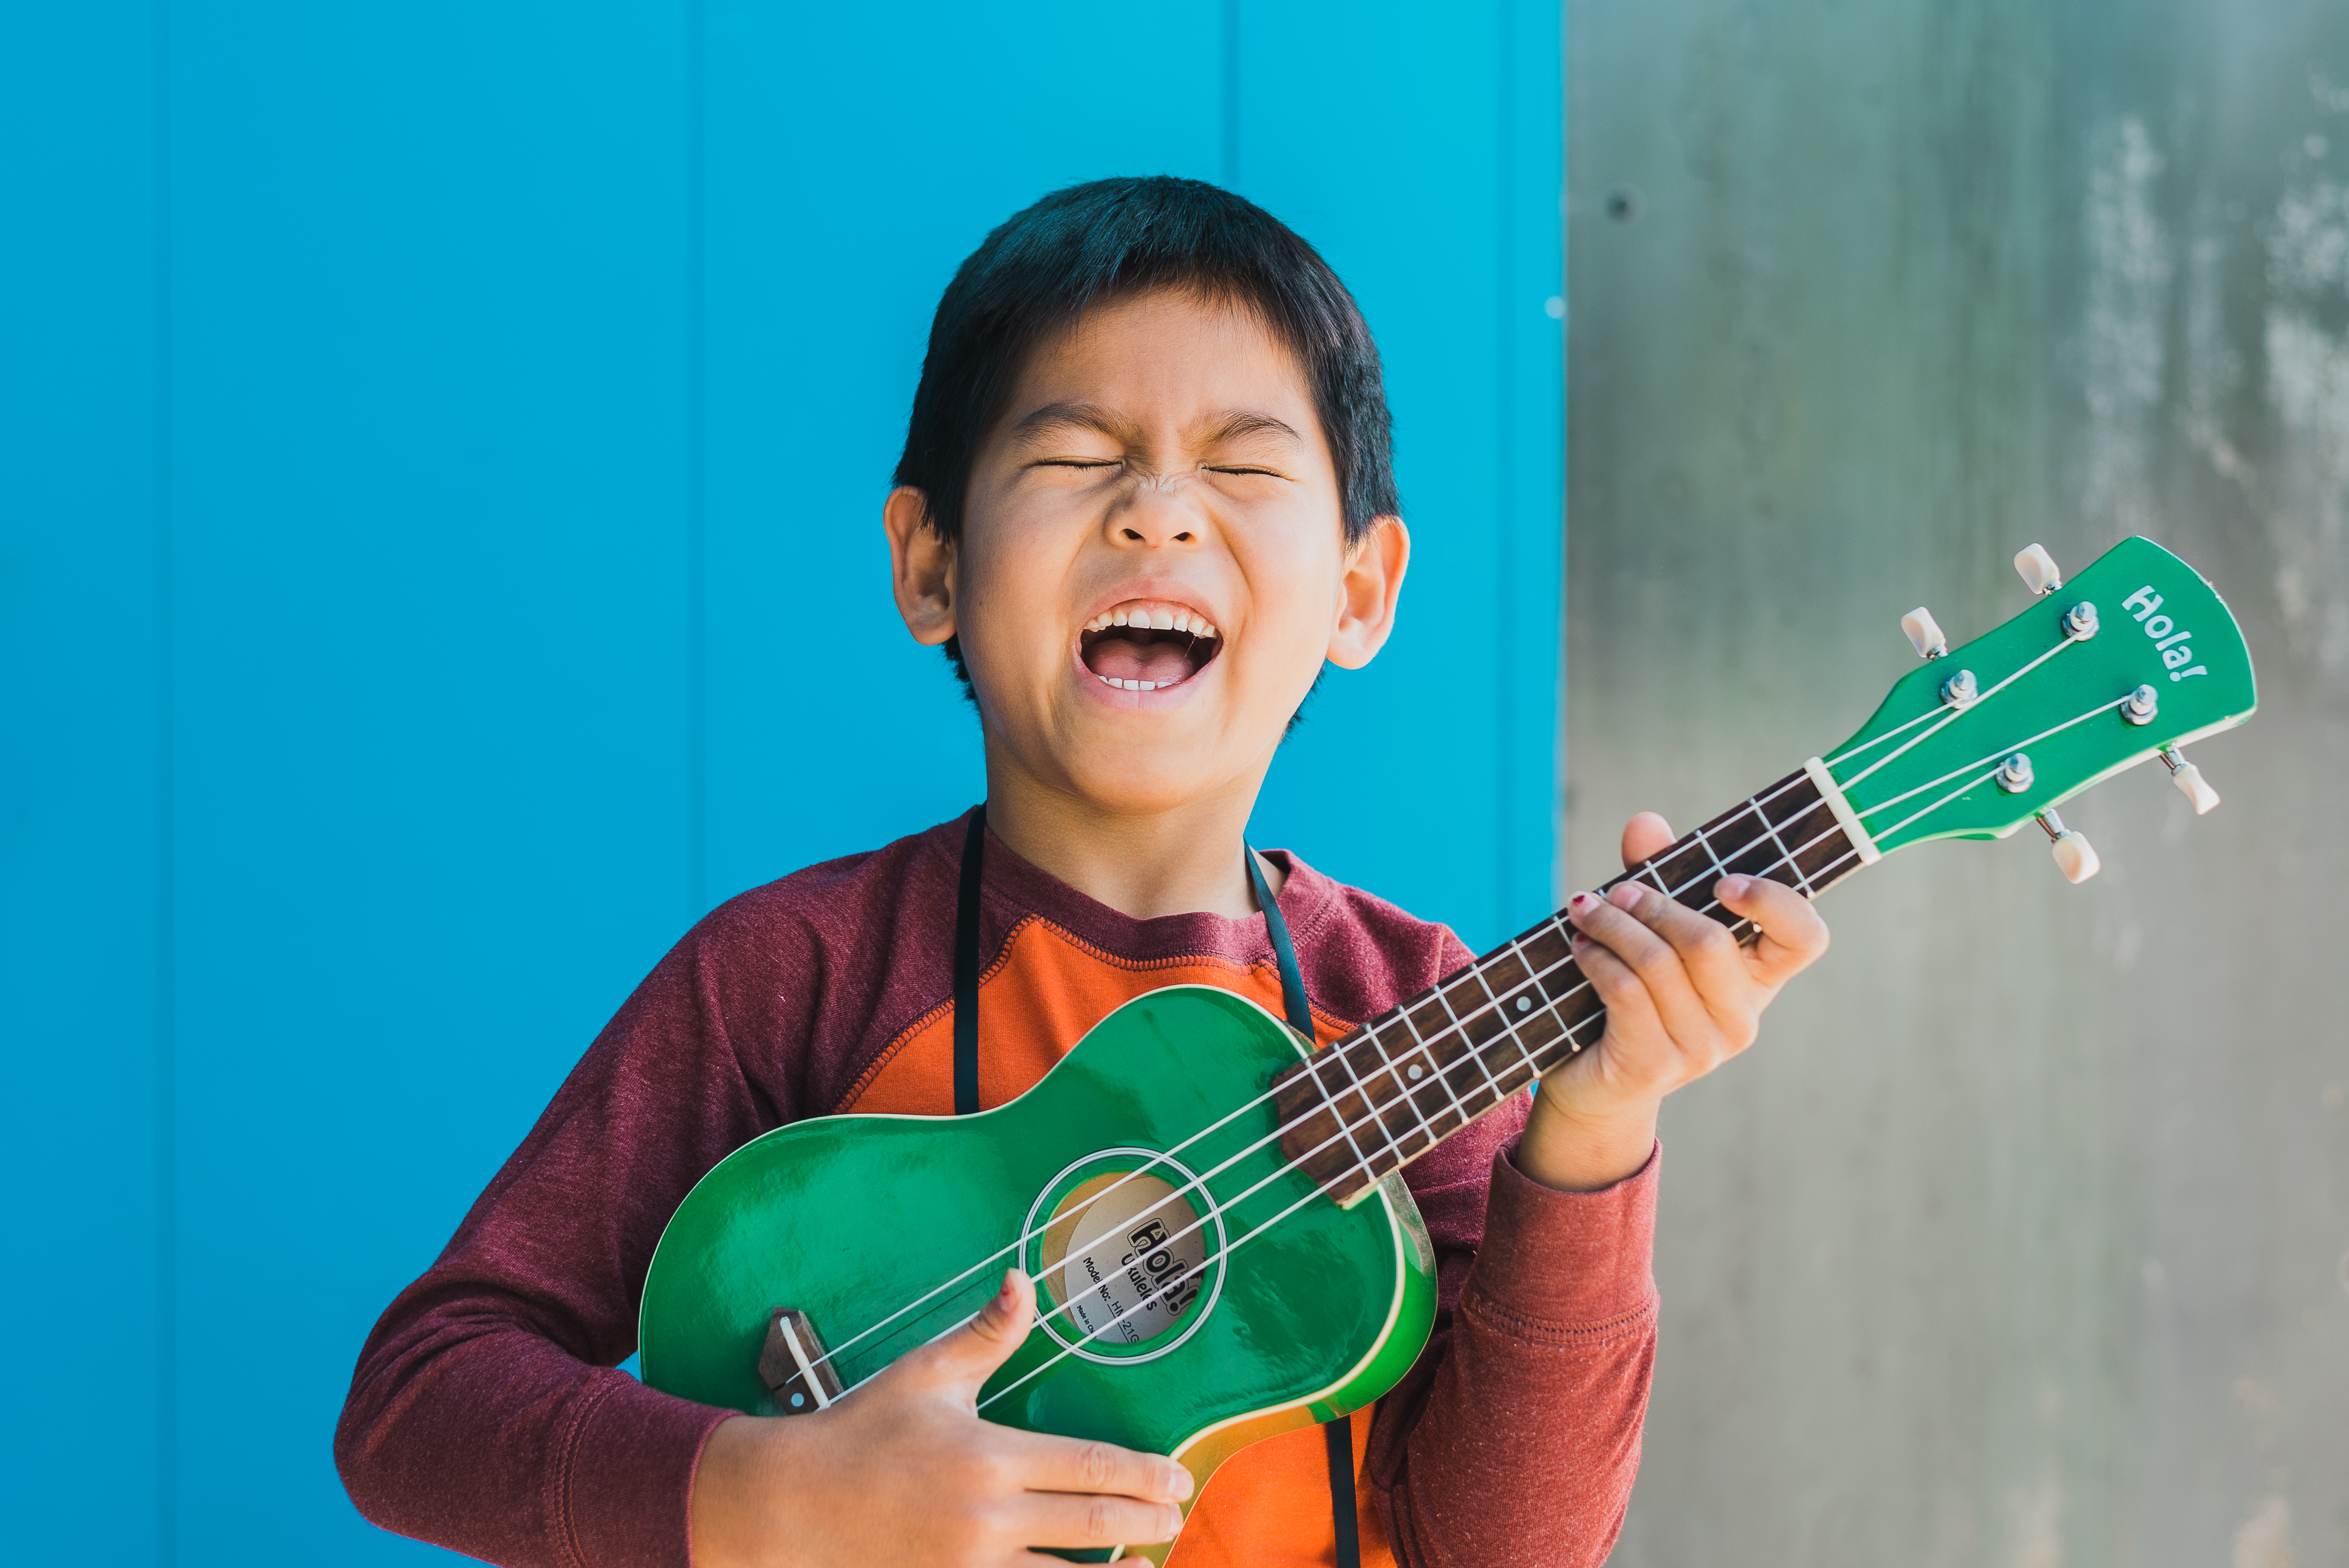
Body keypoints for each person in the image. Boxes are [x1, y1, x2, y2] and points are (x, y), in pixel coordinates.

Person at [336, 175, 1829, 1568]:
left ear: (1361, 591)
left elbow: (1501, 1543)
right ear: (930, 567)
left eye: (1241, 465)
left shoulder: (1417, 1006)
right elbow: (418, 1403)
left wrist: (1596, 1128)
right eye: (1073, 457)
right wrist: (770, 1492)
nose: (1157, 509)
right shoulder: (793, 971)